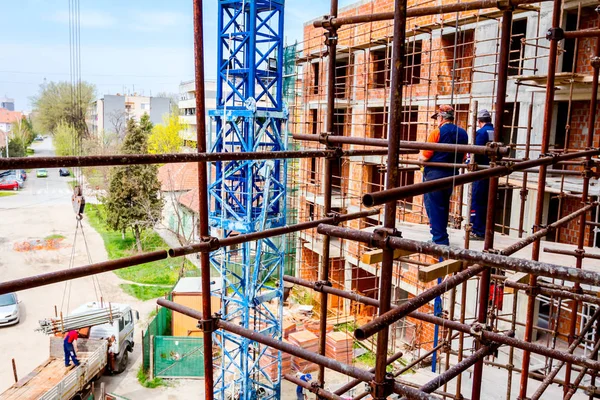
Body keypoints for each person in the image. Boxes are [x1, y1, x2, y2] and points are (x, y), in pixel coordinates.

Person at [419, 105, 469, 246]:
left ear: (441, 117)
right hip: (451, 176)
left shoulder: (437, 133)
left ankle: (440, 240)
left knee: (433, 207)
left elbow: (425, 157)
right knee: (442, 206)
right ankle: (439, 237)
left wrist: (419, 159)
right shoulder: (463, 133)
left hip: (434, 177)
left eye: (438, 118)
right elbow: (464, 157)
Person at [469, 109, 495, 241]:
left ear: (479, 121)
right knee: (487, 201)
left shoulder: (480, 132)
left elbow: (475, 152)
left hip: (480, 171)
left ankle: (478, 231)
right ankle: (486, 230)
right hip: (492, 170)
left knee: (478, 201)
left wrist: (470, 162)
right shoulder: (495, 131)